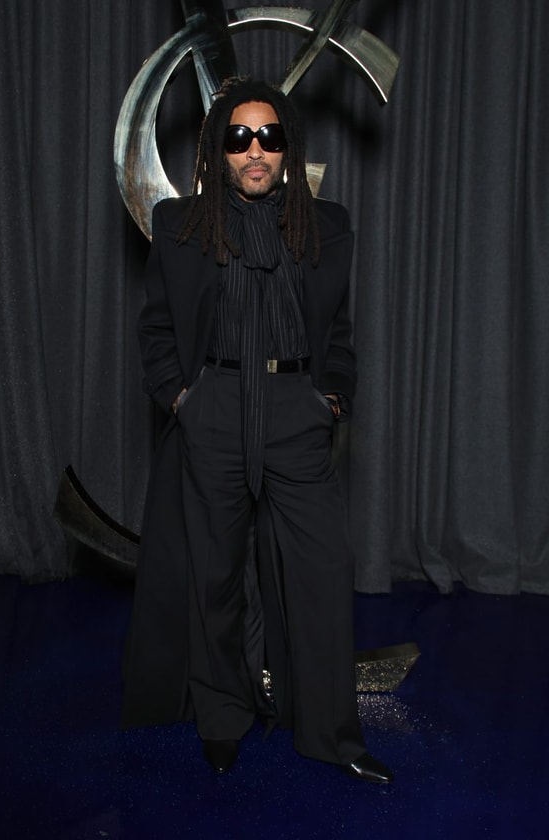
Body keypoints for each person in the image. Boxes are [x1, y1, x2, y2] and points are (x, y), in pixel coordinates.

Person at [122, 76, 393, 785]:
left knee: (323, 574)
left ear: (287, 148)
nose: (254, 150)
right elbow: (156, 330)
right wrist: (181, 398)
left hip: (295, 409)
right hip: (213, 405)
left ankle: (333, 735)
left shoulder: (325, 225)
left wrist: (331, 398)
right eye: (239, 137)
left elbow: (338, 333)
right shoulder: (181, 226)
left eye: (269, 137)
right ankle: (222, 720)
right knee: (214, 577)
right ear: (219, 150)